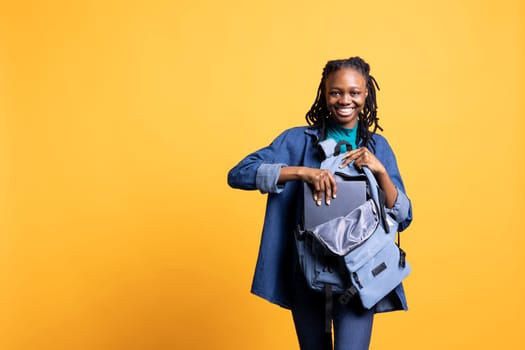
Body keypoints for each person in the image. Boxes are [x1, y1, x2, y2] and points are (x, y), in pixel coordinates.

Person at [227, 56, 413, 350]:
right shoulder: (297, 141)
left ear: (366, 95)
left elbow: (403, 215)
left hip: (359, 276)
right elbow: (238, 174)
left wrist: (379, 171)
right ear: (324, 95)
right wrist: (302, 172)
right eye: (336, 92)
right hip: (308, 272)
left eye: (354, 92)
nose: (345, 100)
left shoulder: (378, 147)